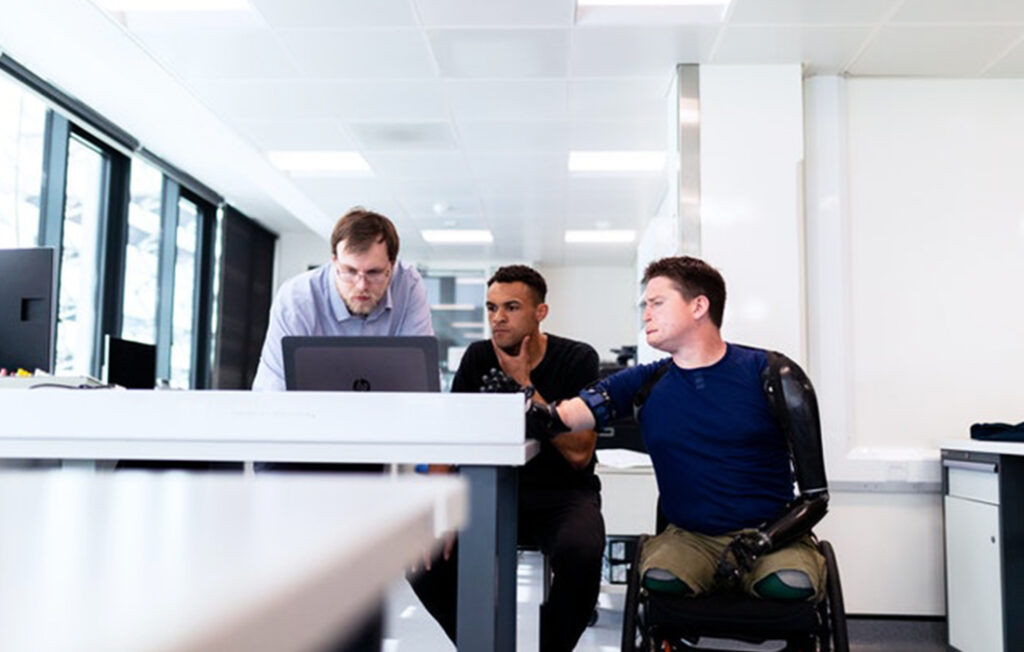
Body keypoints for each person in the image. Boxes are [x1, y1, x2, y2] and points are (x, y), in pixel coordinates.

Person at [529, 256, 829, 602]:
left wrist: (765, 539)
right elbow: (563, 416)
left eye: (657, 303)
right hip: (690, 538)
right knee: (661, 581)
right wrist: (524, 402)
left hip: (772, 536)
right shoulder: (645, 381)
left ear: (699, 305)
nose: (646, 314)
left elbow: (816, 497)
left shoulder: (773, 375)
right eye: (645, 305)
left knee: (788, 586)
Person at [409, 265, 606, 652]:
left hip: (562, 496)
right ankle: (482, 642)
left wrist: (524, 386)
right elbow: (450, 438)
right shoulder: (478, 356)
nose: (498, 318)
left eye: (511, 307)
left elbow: (580, 454)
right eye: (491, 307)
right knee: (421, 555)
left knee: (581, 550)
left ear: (540, 312)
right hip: (489, 491)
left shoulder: (577, 358)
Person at [252, 207, 433, 391]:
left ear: (391, 266)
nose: (362, 285)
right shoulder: (297, 299)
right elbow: (274, 388)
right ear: (334, 262)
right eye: (350, 271)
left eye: (374, 272)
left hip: (389, 412)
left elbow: (418, 380)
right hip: (312, 413)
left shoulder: (408, 285)